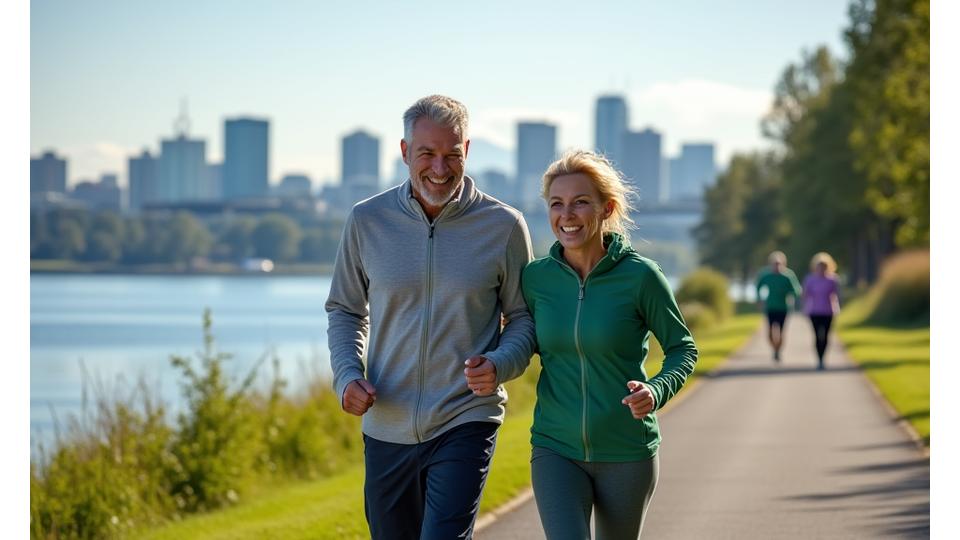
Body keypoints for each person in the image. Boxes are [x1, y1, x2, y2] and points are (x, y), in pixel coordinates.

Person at [325, 95, 537, 540]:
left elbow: (523, 318)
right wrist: (346, 376)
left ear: (467, 151)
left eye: (451, 155)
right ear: (405, 152)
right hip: (386, 421)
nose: (439, 169)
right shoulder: (367, 220)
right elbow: (345, 309)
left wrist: (501, 363)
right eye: (427, 154)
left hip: (466, 416)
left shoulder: (503, 226)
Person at [521, 150, 698, 539]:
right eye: (556, 204)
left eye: (580, 202)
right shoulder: (536, 280)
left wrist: (655, 389)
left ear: (607, 208)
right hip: (555, 446)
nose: (566, 214)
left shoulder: (640, 277)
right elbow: (519, 337)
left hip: (627, 450)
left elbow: (683, 348)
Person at [755, 250, 802, 362]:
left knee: (781, 331)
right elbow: (758, 287)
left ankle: (778, 351)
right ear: (771, 264)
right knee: (770, 332)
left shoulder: (788, 275)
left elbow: (796, 290)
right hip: (770, 307)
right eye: (775, 264)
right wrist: (759, 299)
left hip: (784, 307)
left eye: (779, 264)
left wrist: (790, 294)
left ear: (783, 263)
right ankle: (774, 348)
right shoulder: (766, 275)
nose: (777, 266)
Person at [802, 252, 841, 370]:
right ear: (815, 267)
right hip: (814, 311)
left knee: (825, 336)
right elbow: (805, 295)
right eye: (819, 266)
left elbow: (838, 295)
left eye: (824, 266)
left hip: (828, 311)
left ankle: (823, 358)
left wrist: (840, 307)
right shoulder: (810, 279)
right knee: (817, 336)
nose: (821, 269)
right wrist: (804, 307)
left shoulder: (833, 279)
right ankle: (819, 359)